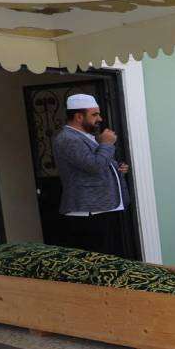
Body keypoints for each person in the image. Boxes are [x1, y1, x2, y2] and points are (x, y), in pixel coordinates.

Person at [53, 94, 131, 256]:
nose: (100, 119)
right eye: (95, 114)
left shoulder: (86, 137)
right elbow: (93, 166)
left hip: (103, 209)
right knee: (99, 261)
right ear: (79, 117)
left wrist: (116, 169)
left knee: (112, 258)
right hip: (89, 213)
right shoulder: (68, 139)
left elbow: (97, 165)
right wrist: (107, 144)